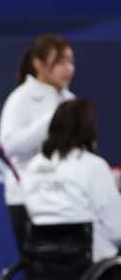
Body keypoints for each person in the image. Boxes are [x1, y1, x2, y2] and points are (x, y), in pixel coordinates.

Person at [0, 34, 75, 255]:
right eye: (59, 62)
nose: (68, 69)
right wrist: (51, 122)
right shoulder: (21, 98)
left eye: (71, 62)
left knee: (63, 270)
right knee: (38, 270)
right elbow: (8, 146)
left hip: (65, 198)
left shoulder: (70, 101)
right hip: (26, 196)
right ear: (39, 64)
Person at [23, 99, 121, 263]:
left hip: (45, 266)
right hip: (93, 266)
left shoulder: (33, 165)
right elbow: (117, 226)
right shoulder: (93, 166)